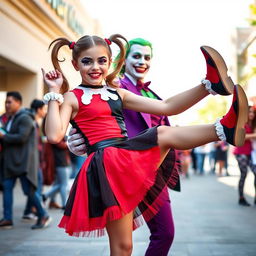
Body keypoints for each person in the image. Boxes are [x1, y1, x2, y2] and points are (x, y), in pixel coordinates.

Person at [42, 34, 248, 256]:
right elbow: (54, 134)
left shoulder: (117, 93)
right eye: (87, 61)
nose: (95, 67)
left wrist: (205, 88)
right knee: (123, 247)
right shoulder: (73, 97)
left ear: (110, 61)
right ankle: (222, 128)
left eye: (102, 60)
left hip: (124, 158)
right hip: (106, 168)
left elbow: (167, 107)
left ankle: (219, 113)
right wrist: (54, 92)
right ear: (75, 64)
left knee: (162, 133)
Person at [68, 37, 180, 256]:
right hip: (124, 167)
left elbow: (168, 109)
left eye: (147, 57)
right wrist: (72, 139)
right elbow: (88, 112)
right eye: (136, 56)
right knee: (127, 244)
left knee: (162, 234)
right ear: (122, 60)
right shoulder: (114, 86)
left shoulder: (150, 92)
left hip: (153, 168)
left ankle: (221, 127)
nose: (142, 62)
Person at [0, 92, 51, 229]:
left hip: (23, 162)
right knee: (7, 188)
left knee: (29, 191)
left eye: (10, 102)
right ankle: (7, 218)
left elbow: (21, 137)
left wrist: (3, 136)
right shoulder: (11, 118)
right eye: (6, 102)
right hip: (10, 162)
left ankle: (43, 214)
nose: (7, 105)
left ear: (18, 102)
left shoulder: (25, 118)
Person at [22, 99, 47, 221]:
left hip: (37, 160)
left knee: (35, 186)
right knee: (35, 187)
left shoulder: (36, 121)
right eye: (44, 109)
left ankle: (28, 211)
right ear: (38, 109)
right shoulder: (30, 121)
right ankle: (40, 213)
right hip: (32, 161)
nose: (45, 112)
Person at [233, 105, 256, 206]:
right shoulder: (241, 123)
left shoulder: (253, 124)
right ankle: (241, 198)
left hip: (251, 152)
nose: (251, 114)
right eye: (249, 112)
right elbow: (241, 136)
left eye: (253, 112)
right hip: (240, 152)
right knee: (244, 174)